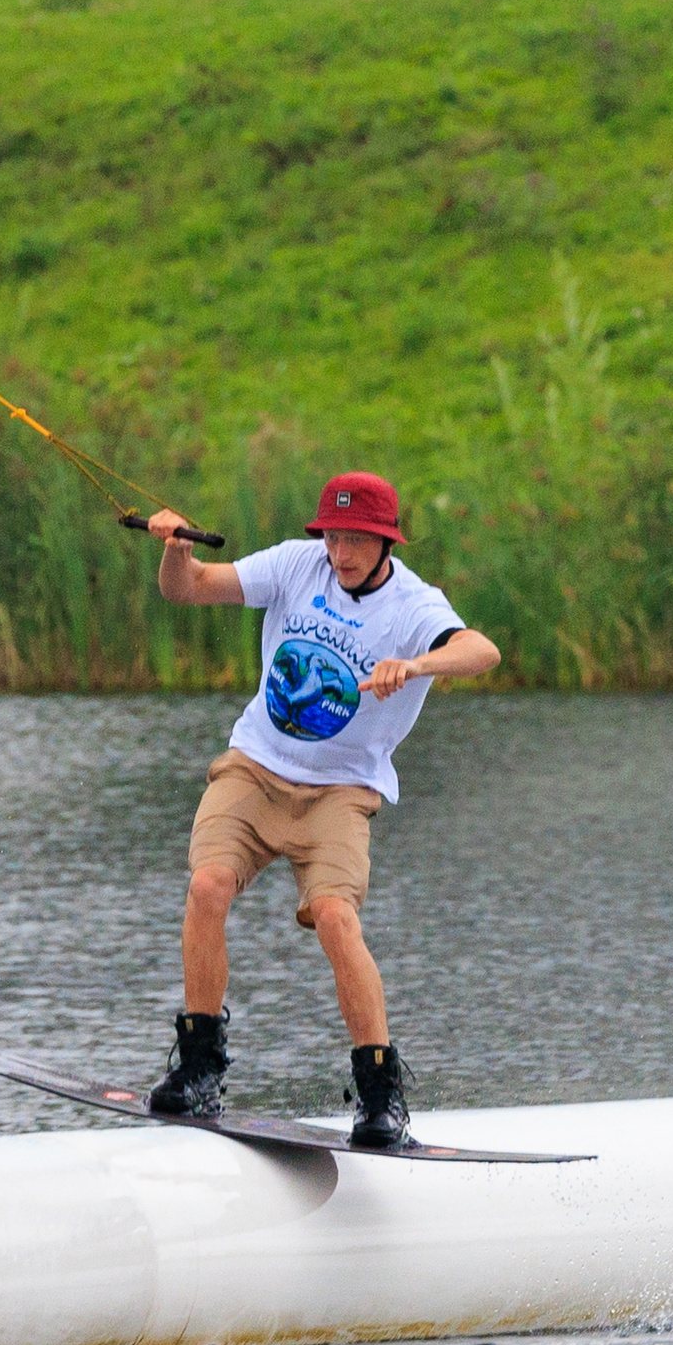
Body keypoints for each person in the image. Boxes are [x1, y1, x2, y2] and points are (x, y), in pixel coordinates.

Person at [139, 471, 500, 1147]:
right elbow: (186, 589)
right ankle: (198, 1069)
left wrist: (415, 666)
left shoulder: (414, 604)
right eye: (333, 536)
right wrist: (175, 548)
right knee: (207, 886)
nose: (341, 553)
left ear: (385, 540)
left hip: (340, 789)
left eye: (356, 540)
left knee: (336, 918)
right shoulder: (296, 565)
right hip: (255, 767)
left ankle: (380, 1096)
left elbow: (482, 650)